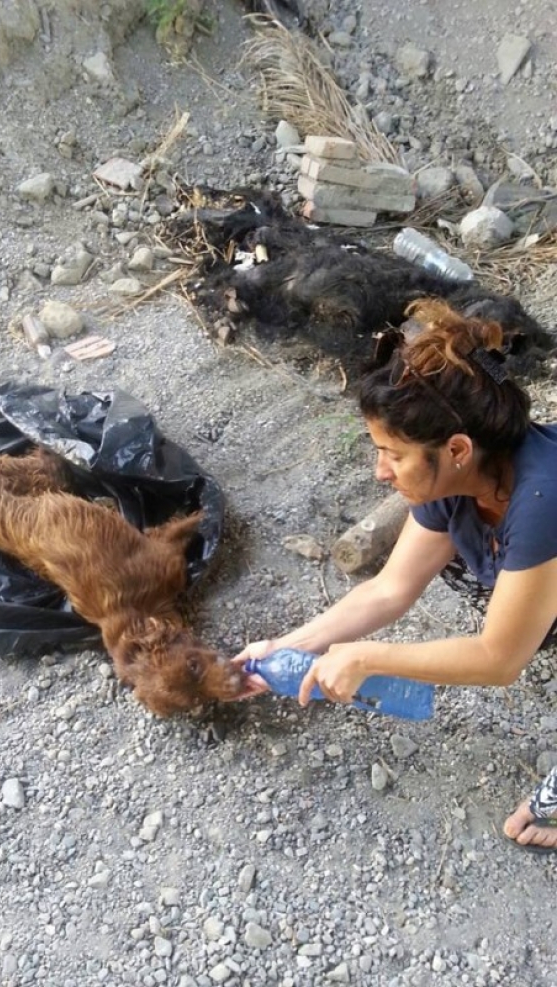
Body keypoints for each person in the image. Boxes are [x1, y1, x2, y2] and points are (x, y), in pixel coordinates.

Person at [234, 299, 557, 854]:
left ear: (457, 450)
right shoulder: (460, 483)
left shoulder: (543, 500)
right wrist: (285, 647)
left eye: (392, 455)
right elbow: (389, 589)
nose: (380, 471)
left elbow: (499, 659)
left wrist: (367, 657)